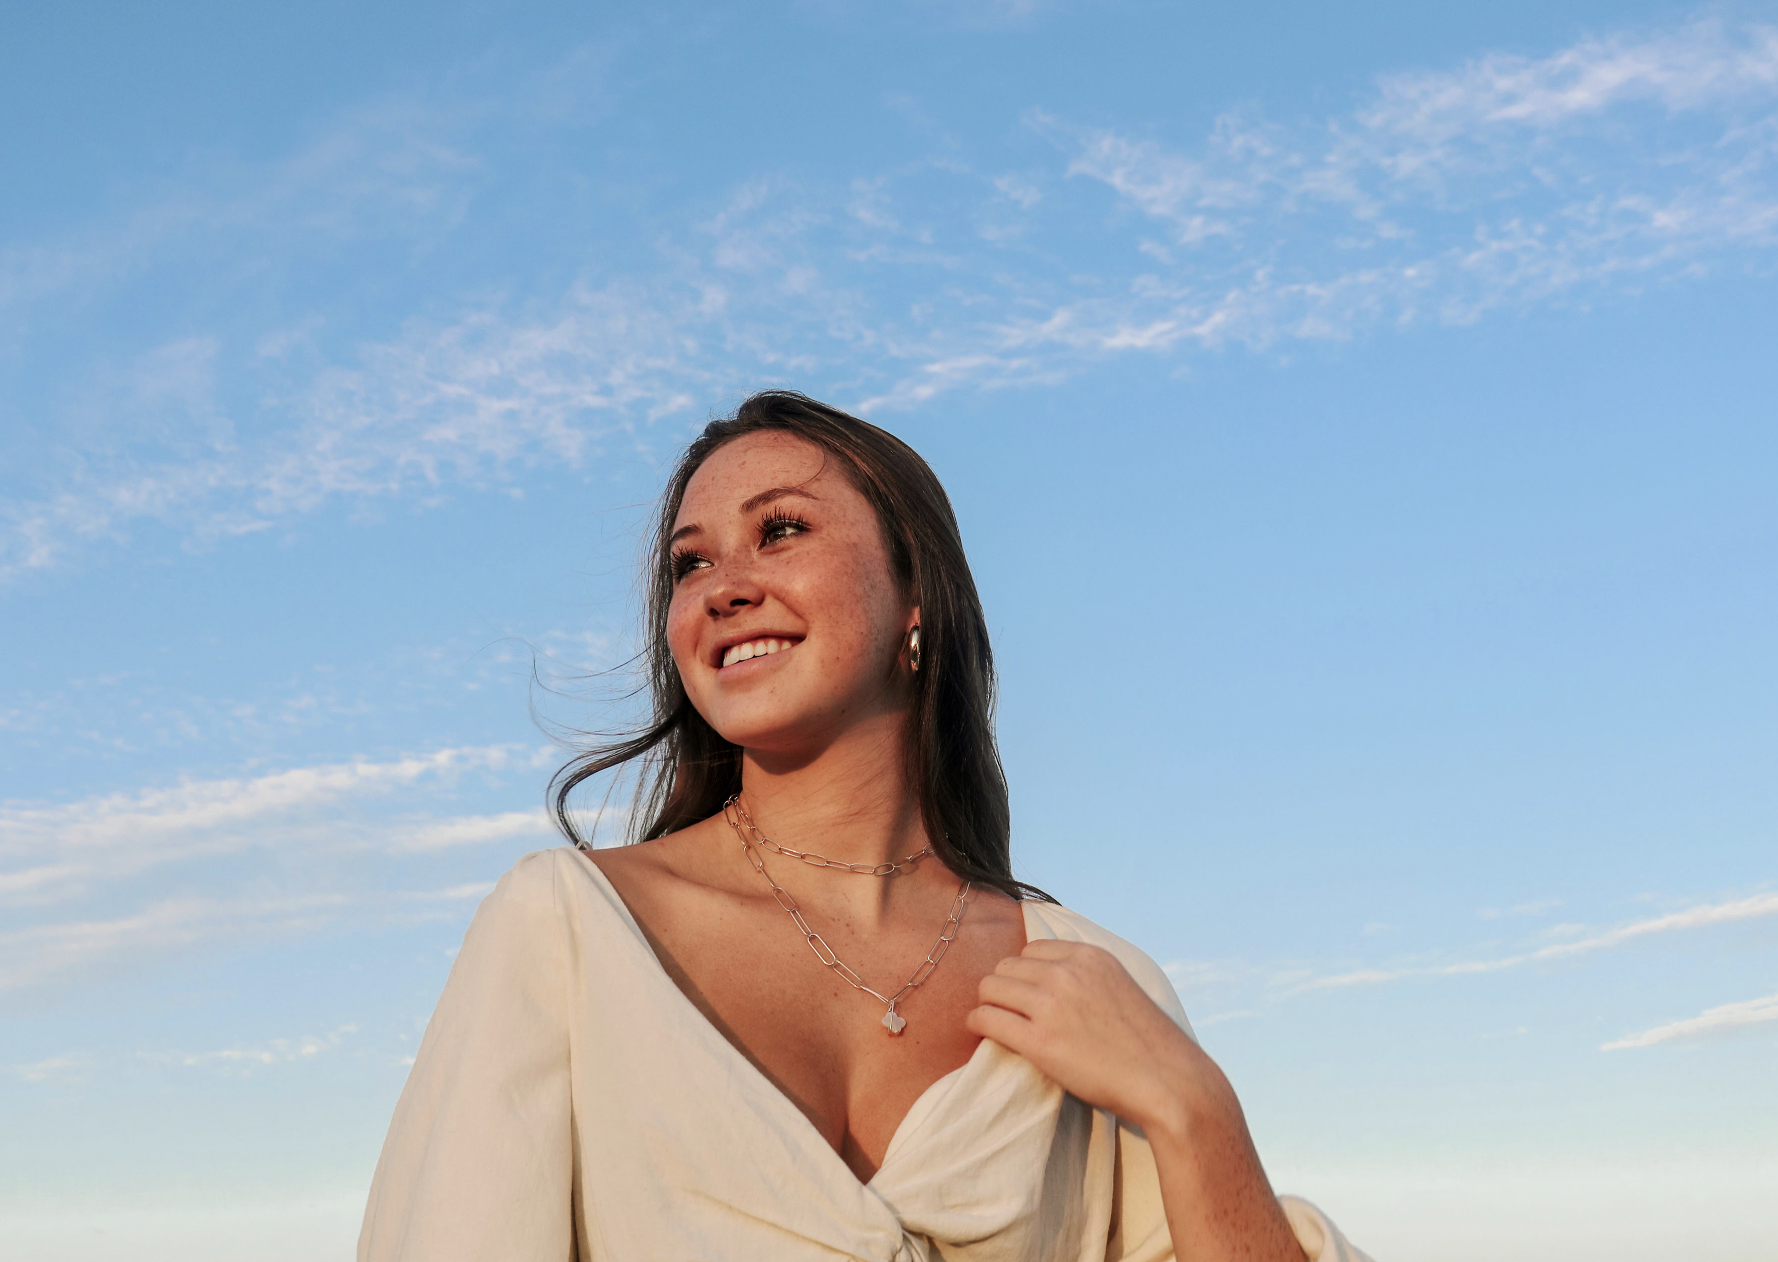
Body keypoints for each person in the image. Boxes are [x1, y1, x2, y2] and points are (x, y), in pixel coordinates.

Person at [359, 391, 1371, 1261]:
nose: (724, 586)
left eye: (782, 530)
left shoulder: (1097, 980)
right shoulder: (570, 930)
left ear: (916, 593)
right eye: (689, 564)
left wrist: (1196, 1113)